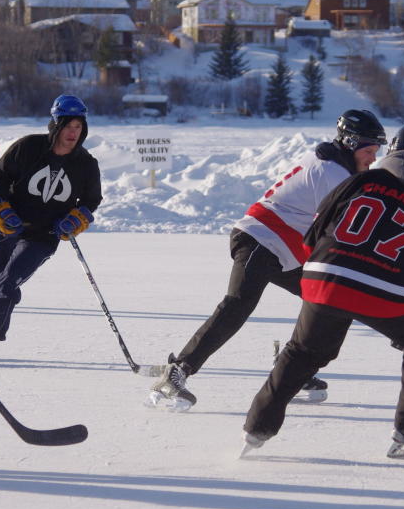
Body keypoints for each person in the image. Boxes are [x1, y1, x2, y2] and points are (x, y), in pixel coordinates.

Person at [147, 109, 388, 411]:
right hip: (261, 238)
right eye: (369, 151)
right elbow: (344, 233)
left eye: (376, 152)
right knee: (237, 304)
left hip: (284, 249)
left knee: (328, 303)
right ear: (351, 144)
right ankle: (176, 372)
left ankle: (292, 369)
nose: (373, 158)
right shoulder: (333, 174)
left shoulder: (338, 168)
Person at [240, 126, 404, 459]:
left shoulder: (361, 181)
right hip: (385, 292)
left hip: (325, 275)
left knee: (304, 351)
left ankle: (257, 428)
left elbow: (316, 230)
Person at [0, 94, 102, 364]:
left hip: (43, 235)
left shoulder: (86, 164)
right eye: (68, 125)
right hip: (8, 224)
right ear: (55, 125)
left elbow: (91, 201)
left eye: (78, 127)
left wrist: (76, 220)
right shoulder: (28, 147)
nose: (73, 132)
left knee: (9, 278)